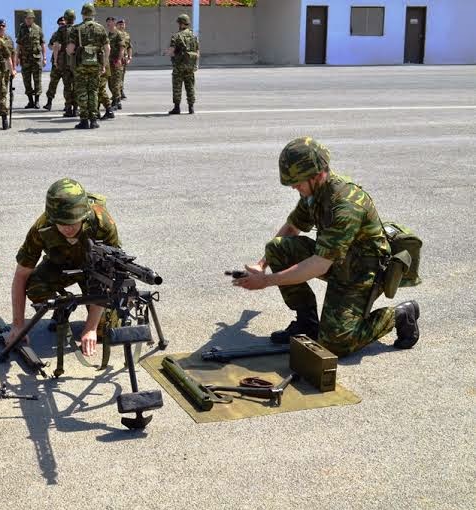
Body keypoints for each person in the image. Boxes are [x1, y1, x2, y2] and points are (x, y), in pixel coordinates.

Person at [232, 137, 421, 357]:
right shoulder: (314, 192)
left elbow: (319, 265)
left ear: (317, 174)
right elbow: (293, 227)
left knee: (335, 345)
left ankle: (400, 315)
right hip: (336, 260)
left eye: (298, 181)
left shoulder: (344, 205)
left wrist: (265, 282)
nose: (294, 186)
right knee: (277, 248)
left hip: (362, 273)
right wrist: (261, 264)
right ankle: (307, 324)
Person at [6, 178, 120, 376]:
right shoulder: (41, 227)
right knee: (35, 288)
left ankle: (93, 320)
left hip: (94, 272)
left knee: (105, 332)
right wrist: (17, 326)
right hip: (60, 267)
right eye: (62, 223)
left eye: (73, 222)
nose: (68, 228)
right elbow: (21, 275)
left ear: (83, 216)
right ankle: (62, 309)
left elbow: (108, 275)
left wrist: (91, 328)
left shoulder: (102, 222)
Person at [66, 3, 110, 129]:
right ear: (93, 14)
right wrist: (104, 64)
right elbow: (107, 48)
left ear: (83, 14)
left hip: (81, 65)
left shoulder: (76, 29)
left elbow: (70, 49)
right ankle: (94, 120)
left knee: (82, 92)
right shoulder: (100, 28)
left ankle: (84, 120)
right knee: (94, 91)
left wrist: (71, 53)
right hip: (96, 64)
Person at [167, 14, 199, 115]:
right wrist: (195, 64)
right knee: (190, 86)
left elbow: (171, 51)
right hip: (190, 65)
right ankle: (191, 108)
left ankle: (177, 108)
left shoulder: (176, 36)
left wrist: (170, 54)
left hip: (179, 65)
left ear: (181, 23)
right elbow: (197, 51)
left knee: (177, 86)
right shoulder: (194, 36)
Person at [15, 9, 46, 109]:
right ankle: (30, 101)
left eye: (30, 18)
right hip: (25, 59)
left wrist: (44, 57)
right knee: (26, 81)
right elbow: (19, 44)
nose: (28, 20)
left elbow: (42, 43)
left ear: (33, 19)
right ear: (25, 19)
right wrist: (16, 58)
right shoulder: (21, 29)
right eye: (27, 18)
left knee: (37, 80)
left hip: (36, 59)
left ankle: (37, 101)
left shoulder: (38, 28)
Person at [55, 9, 78, 118]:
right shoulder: (77, 28)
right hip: (75, 60)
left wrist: (55, 59)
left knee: (67, 85)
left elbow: (56, 45)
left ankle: (68, 108)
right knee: (77, 85)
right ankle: (76, 109)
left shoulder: (61, 30)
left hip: (64, 61)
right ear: (74, 18)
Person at [44, 16, 66, 112]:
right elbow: (49, 45)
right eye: (60, 24)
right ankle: (49, 103)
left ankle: (68, 105)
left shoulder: (70, 34)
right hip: (56, 63)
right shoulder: (55, 34)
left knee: (68, 85)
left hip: (66, 63)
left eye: (63, 24)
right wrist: (53, 47)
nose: (61, 25)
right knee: (53, 83)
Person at [0, 19, 17, 113]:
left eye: (3, 26)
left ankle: (2, 106)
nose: (1, 27)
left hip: (6, 67)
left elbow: (13, 54)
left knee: (5, 87)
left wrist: (14, 69)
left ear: (5, 27)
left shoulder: (9, 39)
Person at [106, 16, 125, 112]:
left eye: (111, 22)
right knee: (110, 83)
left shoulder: (119, 34)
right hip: (109, 62)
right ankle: (117, 100)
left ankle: (116, 102)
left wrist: (119, 60)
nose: (109, 24)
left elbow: (122, 49)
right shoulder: (108, 35)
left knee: (116, 83)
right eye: (108, 22)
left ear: (114, 23)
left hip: (116, 62)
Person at [116, 19, 132, 101]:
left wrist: (130, 57)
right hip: (116, 58)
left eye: (123, 24)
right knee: (116, 77)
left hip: (124, 58)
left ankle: (121, 91)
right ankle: (117, 93)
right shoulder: (115, 34)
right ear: (117, 25)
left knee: (122, 76)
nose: (122, 26)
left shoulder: (127, 35)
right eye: (120, 24)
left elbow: (129, 47)